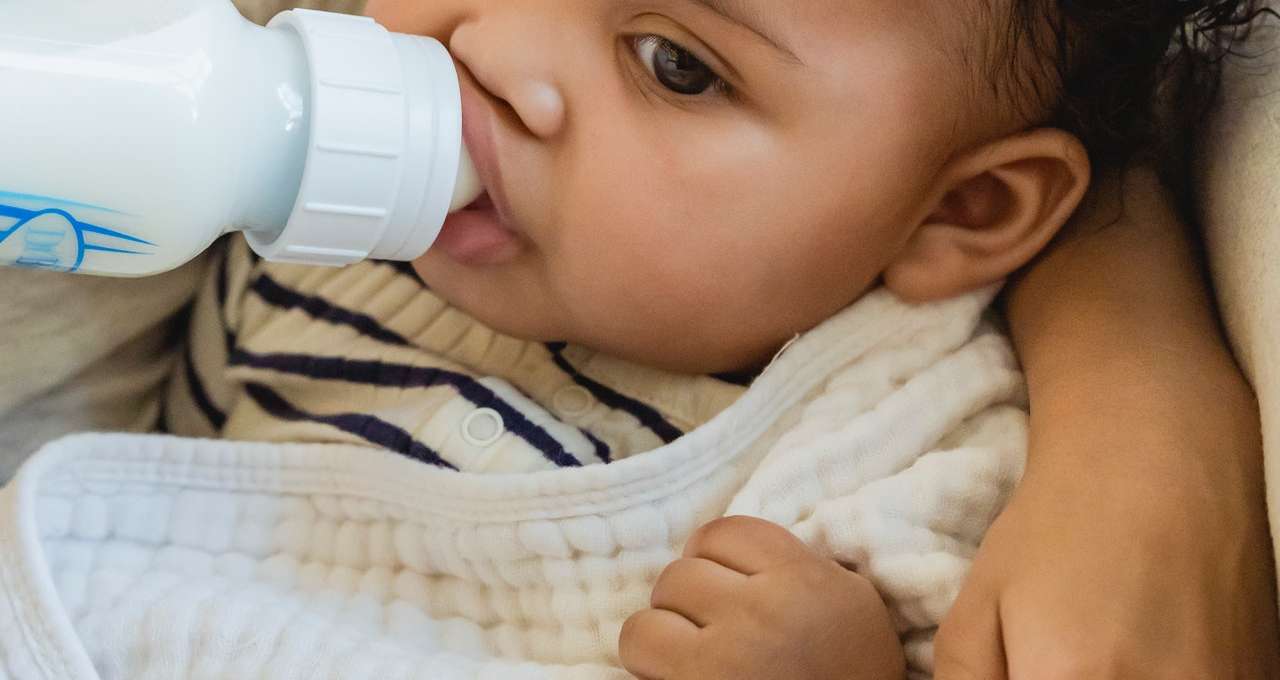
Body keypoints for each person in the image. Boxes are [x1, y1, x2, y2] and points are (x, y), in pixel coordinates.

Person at [0, 0, 1272, 678]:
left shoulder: (913, 443)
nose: (489, 45)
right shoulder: (263, 130)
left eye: (671, 62)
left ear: (956, 209)